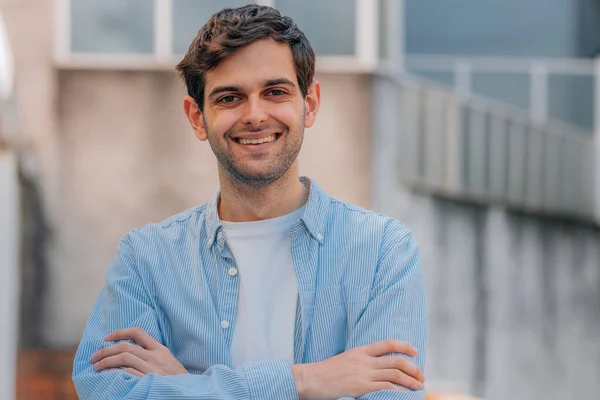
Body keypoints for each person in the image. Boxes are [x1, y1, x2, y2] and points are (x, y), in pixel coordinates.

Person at [72, 4, 427, 399]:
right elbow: (107, 392)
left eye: (275, 92)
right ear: (196, 117)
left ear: (309, 104)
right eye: (230, 98)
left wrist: (183, 387)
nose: (255, 115)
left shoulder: (383, 251)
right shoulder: (145, 260)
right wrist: (304, 382)